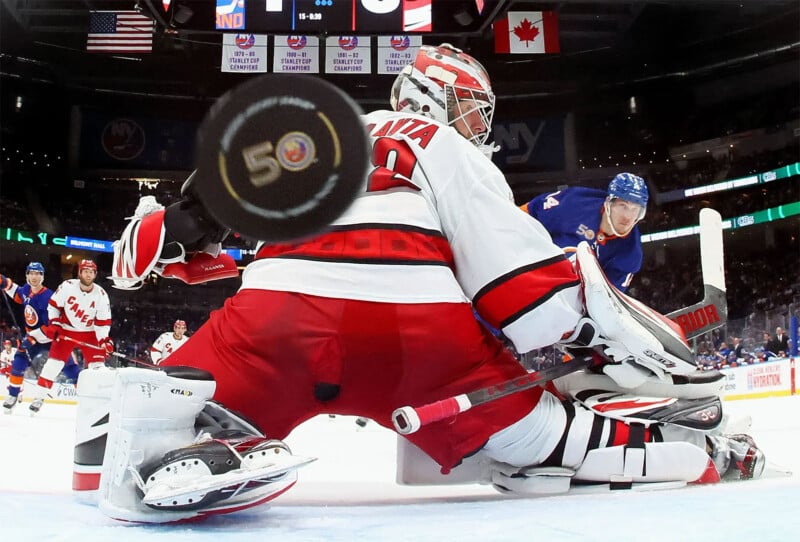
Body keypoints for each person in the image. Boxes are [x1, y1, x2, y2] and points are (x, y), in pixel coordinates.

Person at [78, 44, 764, 523]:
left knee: (161, 416)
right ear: (439, 97)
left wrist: (179, 240)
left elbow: (239, 223)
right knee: (546, 440)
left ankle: (124, 435)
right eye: (474, 108)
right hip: (414, 338)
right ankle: (703, 455)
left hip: (275, 318)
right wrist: (604, 339)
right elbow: (519, 284)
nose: (480, 126)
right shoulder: (443, 146)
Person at [519, 172, 648, 292]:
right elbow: (525, 213)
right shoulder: (576, 203)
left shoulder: (631, 254)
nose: (627, 216)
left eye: (635, 209)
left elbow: (607, 299)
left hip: (563, 300)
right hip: (527, 269)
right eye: (623, 206)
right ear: (609, 203)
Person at [31, 259, 113, 413]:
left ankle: (100, 404)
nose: (88, 274)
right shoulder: (67, 286)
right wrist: (54, 324)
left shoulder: (101, 294)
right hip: (66, 330)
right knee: (52, 366)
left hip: (90, 333)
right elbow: (53, 306)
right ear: (79, 272)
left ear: (95, 274)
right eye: (85, 271)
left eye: (91, 272)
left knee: (98, 369)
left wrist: (104, 340)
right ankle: (38, 397)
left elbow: (103, 322)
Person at [1, 262, 54, 413]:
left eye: (38, 273)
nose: (34, 276)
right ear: (27, 275)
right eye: (31, 273)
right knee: (19, 360)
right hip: (34, 338)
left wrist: (32, 338)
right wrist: (3, 281)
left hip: (50, 338)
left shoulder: (48, 297)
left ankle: (39, 397)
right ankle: (12, 395)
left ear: (42, 276)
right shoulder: (26, 290)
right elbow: (16, 292)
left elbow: (51, 326)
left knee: (59, 366)